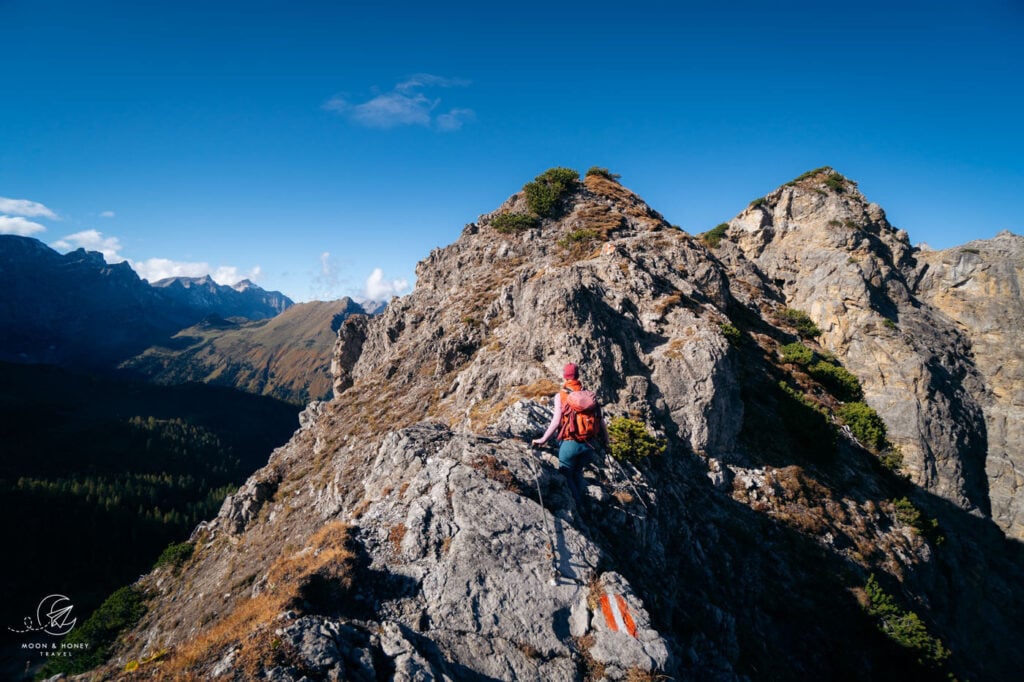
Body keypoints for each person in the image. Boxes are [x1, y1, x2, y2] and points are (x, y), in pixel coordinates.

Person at [532, 363, 609, 507]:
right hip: (588, 444)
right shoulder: (589, 395)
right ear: (578, 375)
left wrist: (542, 440)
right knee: (578, 472)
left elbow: (556, 422)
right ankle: (584, 504)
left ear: (564, 376)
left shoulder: (560, 396)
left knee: (567, 474)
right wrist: (606, 440)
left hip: (570, 443)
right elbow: (601, 420)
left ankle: (578, 507)